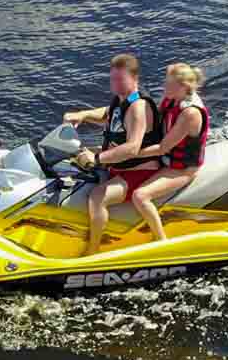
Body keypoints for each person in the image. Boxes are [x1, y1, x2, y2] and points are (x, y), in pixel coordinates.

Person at [64, 53, 163, 256]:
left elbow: (132, 148)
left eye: (120, 79)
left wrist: (98, 158)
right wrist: (83, 115)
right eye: (113, 79)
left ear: (134, 79)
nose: (115, 84)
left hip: (139, 171)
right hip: (118, 164)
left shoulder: (138, 107)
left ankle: (93, 250)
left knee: (97, 197)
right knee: (71, 161)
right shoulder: (123, 99)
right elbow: (109, 114)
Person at [126, 63, 210, 243]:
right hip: (165, 158)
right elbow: (155, 119)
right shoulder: (172, 97)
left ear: (183, 87)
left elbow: (163, 147)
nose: (164, 87)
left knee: (140, 196)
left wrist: (129, 153)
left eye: (168, 84)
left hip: (182, 168)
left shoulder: (190, 114)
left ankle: (161, 240)